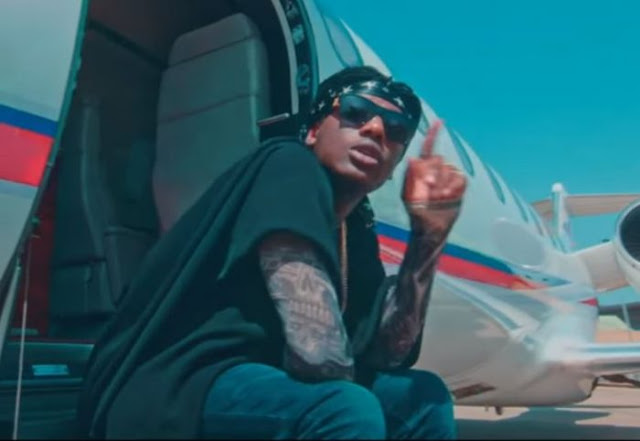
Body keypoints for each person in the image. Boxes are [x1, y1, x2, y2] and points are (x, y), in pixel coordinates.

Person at [77, 65, 467, 439]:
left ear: (396, 163)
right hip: (175, 385)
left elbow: (388, 353)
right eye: (355, 111)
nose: (376, 129)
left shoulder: (356, 229)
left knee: (423, 398)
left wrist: (428, 237)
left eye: (396, 130)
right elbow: (319, 356)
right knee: (343, 407)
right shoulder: (287, 164)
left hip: (263, 381)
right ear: (313, 131)